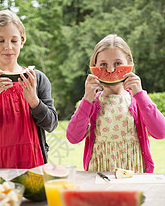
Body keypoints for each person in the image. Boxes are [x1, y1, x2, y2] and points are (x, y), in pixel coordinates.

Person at [0, 10, 58, 168]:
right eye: (0, 41)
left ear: (22, 42)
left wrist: (34, 102)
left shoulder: (38, 78)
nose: (8, 47)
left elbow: (51, 124)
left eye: (14, 41)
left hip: (33, 164)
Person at [66, 34, 165, 173]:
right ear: (94, 67)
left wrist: (140, 94)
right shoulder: (91, 103)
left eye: (118, 63)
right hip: (99, 174)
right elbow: (73, 137)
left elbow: (161, 132)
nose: (111, 70)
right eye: (103, 65)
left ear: (129, 64)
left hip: (134, 175)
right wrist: (87, 98)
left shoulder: (137, 101)